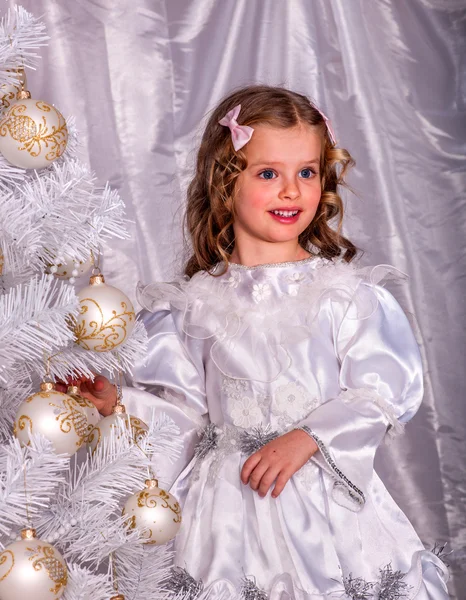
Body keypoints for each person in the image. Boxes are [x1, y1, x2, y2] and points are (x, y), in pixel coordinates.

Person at [74, 86, 449, 599]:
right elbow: (182, 415)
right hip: (224, 518)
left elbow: (381, 393)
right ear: (225, 182)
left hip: (325, 511)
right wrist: (119, 404)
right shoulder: (192, 310)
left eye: (308, 172)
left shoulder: (344, 298)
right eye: (269, 173)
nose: (292, 191)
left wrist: (312, 436)